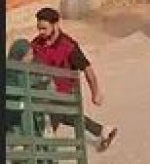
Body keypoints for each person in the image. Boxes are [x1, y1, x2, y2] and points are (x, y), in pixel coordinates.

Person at [29, 8, 117, 151]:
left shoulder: (68, 46)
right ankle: (102, 131)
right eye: (39, 28)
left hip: (63, 94)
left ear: (56, 25)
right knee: (68, 116)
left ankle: (43, 150)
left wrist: (95, 93)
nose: (41, 32)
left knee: (48, 127)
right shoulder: (37, 43)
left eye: (44, 28)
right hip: (44, 93)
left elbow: (87, 69)